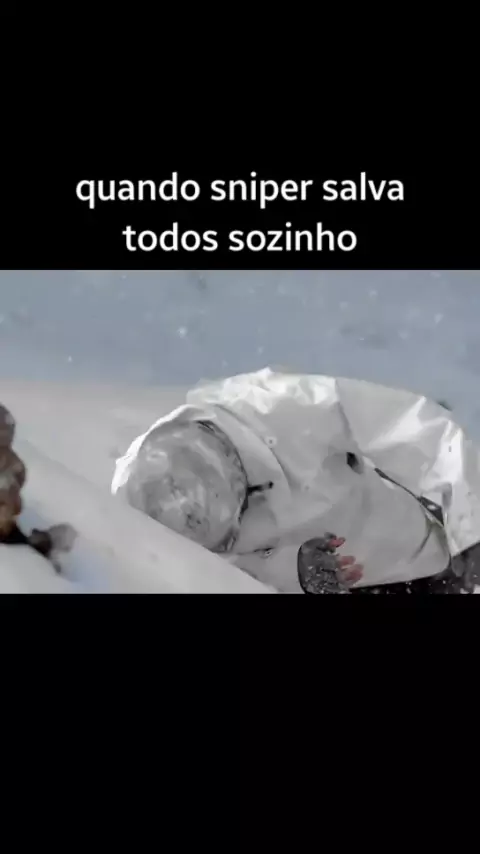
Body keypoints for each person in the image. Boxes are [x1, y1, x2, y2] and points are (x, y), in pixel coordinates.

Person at [112, 368, 480, 594]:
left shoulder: (276, 405)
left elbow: (410, 427)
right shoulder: (142, 514)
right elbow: (202, 578)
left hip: (418, 521)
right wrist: (294, 572)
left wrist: (471, 527)